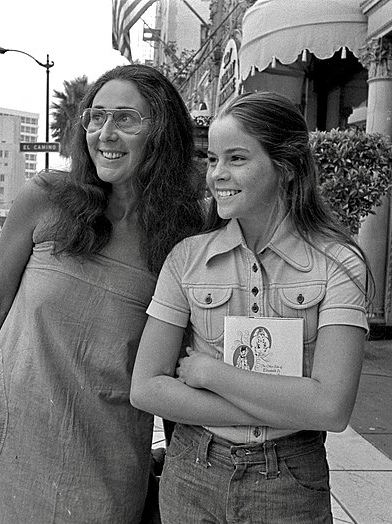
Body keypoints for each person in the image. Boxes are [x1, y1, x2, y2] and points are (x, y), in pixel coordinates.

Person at [0, 64, 205, 524]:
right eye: (96, 117)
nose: (105, 133)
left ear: (161, 132)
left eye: (126, 119)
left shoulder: (186, 235)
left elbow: (176, 359)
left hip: (109, 449)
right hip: (10, 431)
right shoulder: (46, 197)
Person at [130, 91, 371, 523]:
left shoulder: (338, 264)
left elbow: (331, 408)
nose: (217, 174)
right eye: (212, 159)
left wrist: (212, 375)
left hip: (289, 481)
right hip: (193, 472)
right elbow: (146, 387)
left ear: (288, 167)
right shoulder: (186, 259)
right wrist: (290, 403)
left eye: (236, 158)